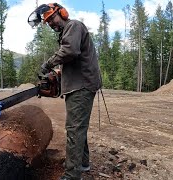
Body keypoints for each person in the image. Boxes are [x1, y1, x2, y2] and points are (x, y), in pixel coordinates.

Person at [28, 3, 102, 180]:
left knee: (74, 129)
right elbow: (73, 56)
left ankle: (72, 175)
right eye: (48, 22)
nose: (52, 23)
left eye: (52, 18)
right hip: (78, 85)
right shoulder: (67, 31)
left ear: (62, 13)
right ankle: (82, 163)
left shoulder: (73, 25)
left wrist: (48, 63)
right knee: (78, 127)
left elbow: (70, 51)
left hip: (82, 85)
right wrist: (60, 72)